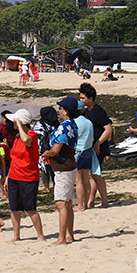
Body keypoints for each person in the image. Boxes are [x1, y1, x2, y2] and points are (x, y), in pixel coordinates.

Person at [4, 109, 46, 243]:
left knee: (30, 208)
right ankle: (16, 235)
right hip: (14, 176)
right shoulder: (17, 138)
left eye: (15, 121)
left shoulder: (31, 135)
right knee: (14, 208)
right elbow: (14, 159)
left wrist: (20, 126)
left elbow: (27, 140)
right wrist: (7, 178)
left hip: (28, 177)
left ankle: (40, 236)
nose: (13, 124)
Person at [42, 98, 79, 246]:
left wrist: (47, 153)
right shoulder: (72, 125)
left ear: (66, 110)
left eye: (61, 108)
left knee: (61, 203)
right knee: (67, 202)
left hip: (63, 167)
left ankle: (62, 238)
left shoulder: (64, 127)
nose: (59, 111)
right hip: (69, 165)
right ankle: (69, 235)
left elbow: (56, 149)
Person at [79, 83, 111, 208]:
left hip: (99, 147)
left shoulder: (98, 111)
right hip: (91, 147)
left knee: (96, 175)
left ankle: (104, 202)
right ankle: (91, 201)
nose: (81, 100)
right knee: (91, 175)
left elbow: (108, 129)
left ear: (90, 98)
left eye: (83, 98)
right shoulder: (87, 111)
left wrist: (98, 143)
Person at [72, 100, 95, 213]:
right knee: (86, 180)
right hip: (88, 151)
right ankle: (86, 203)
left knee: (78, 181)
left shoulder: (74, 122)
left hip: (78, 151)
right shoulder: (88, 122)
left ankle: (80, 205)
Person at [32, 106, 60, 193]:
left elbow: (37, 137)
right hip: (55, 148)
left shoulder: (40, 124)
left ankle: (46, 188)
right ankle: (56, 186)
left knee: (44, 169)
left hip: (43, 149)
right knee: (54, 169)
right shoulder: (56, 123)